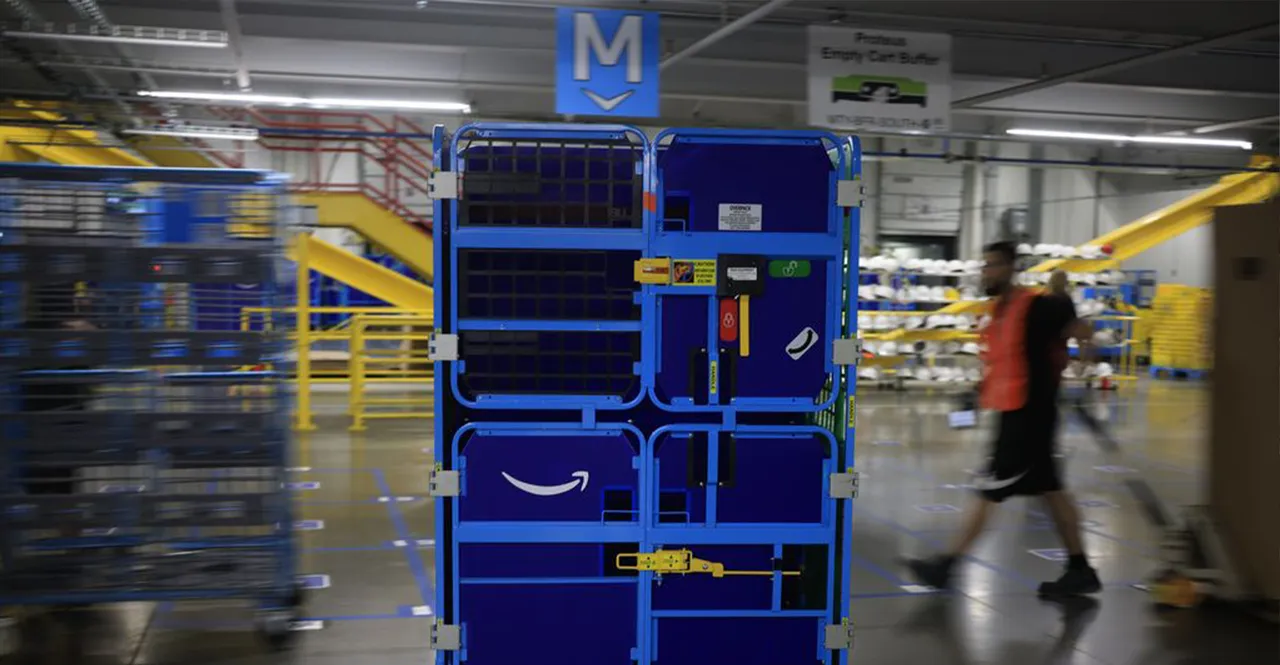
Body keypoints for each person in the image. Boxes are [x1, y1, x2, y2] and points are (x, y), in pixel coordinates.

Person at [905, 241, 1100, 597]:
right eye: (984, 265)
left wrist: (1085, 362)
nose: (986, 272)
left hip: (1029, 417)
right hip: (1014, 413)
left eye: (993, 265)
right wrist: (976, 394)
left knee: (989, 489)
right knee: (1052, 490)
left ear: (1011, 268)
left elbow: (1081, 330)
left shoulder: (1038, 307)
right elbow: (1002, 362)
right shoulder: (998, 313)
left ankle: (946, 565)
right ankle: (1080, 568)